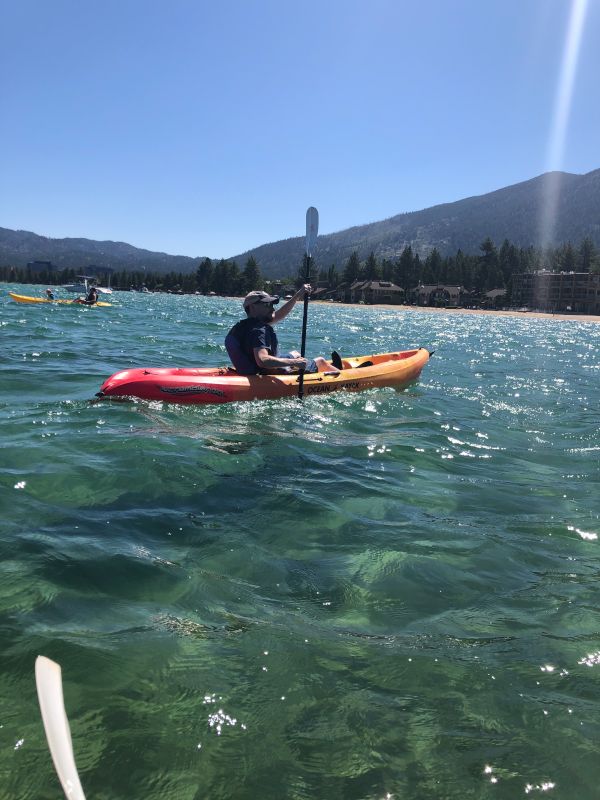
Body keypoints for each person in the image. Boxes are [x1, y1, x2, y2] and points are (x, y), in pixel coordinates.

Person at [225, 285, 341, 376]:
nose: (272, 308)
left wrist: (298, 295)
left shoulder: (243, 326)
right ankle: (341, 374)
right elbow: (263, 360)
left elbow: (279, 314)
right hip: (269, 372)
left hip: (252, 370)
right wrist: (295, 363)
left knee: (295, 353)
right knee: (320, 361)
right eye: (267, 304)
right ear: (252, 307)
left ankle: (329, 367)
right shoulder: (260, 330)